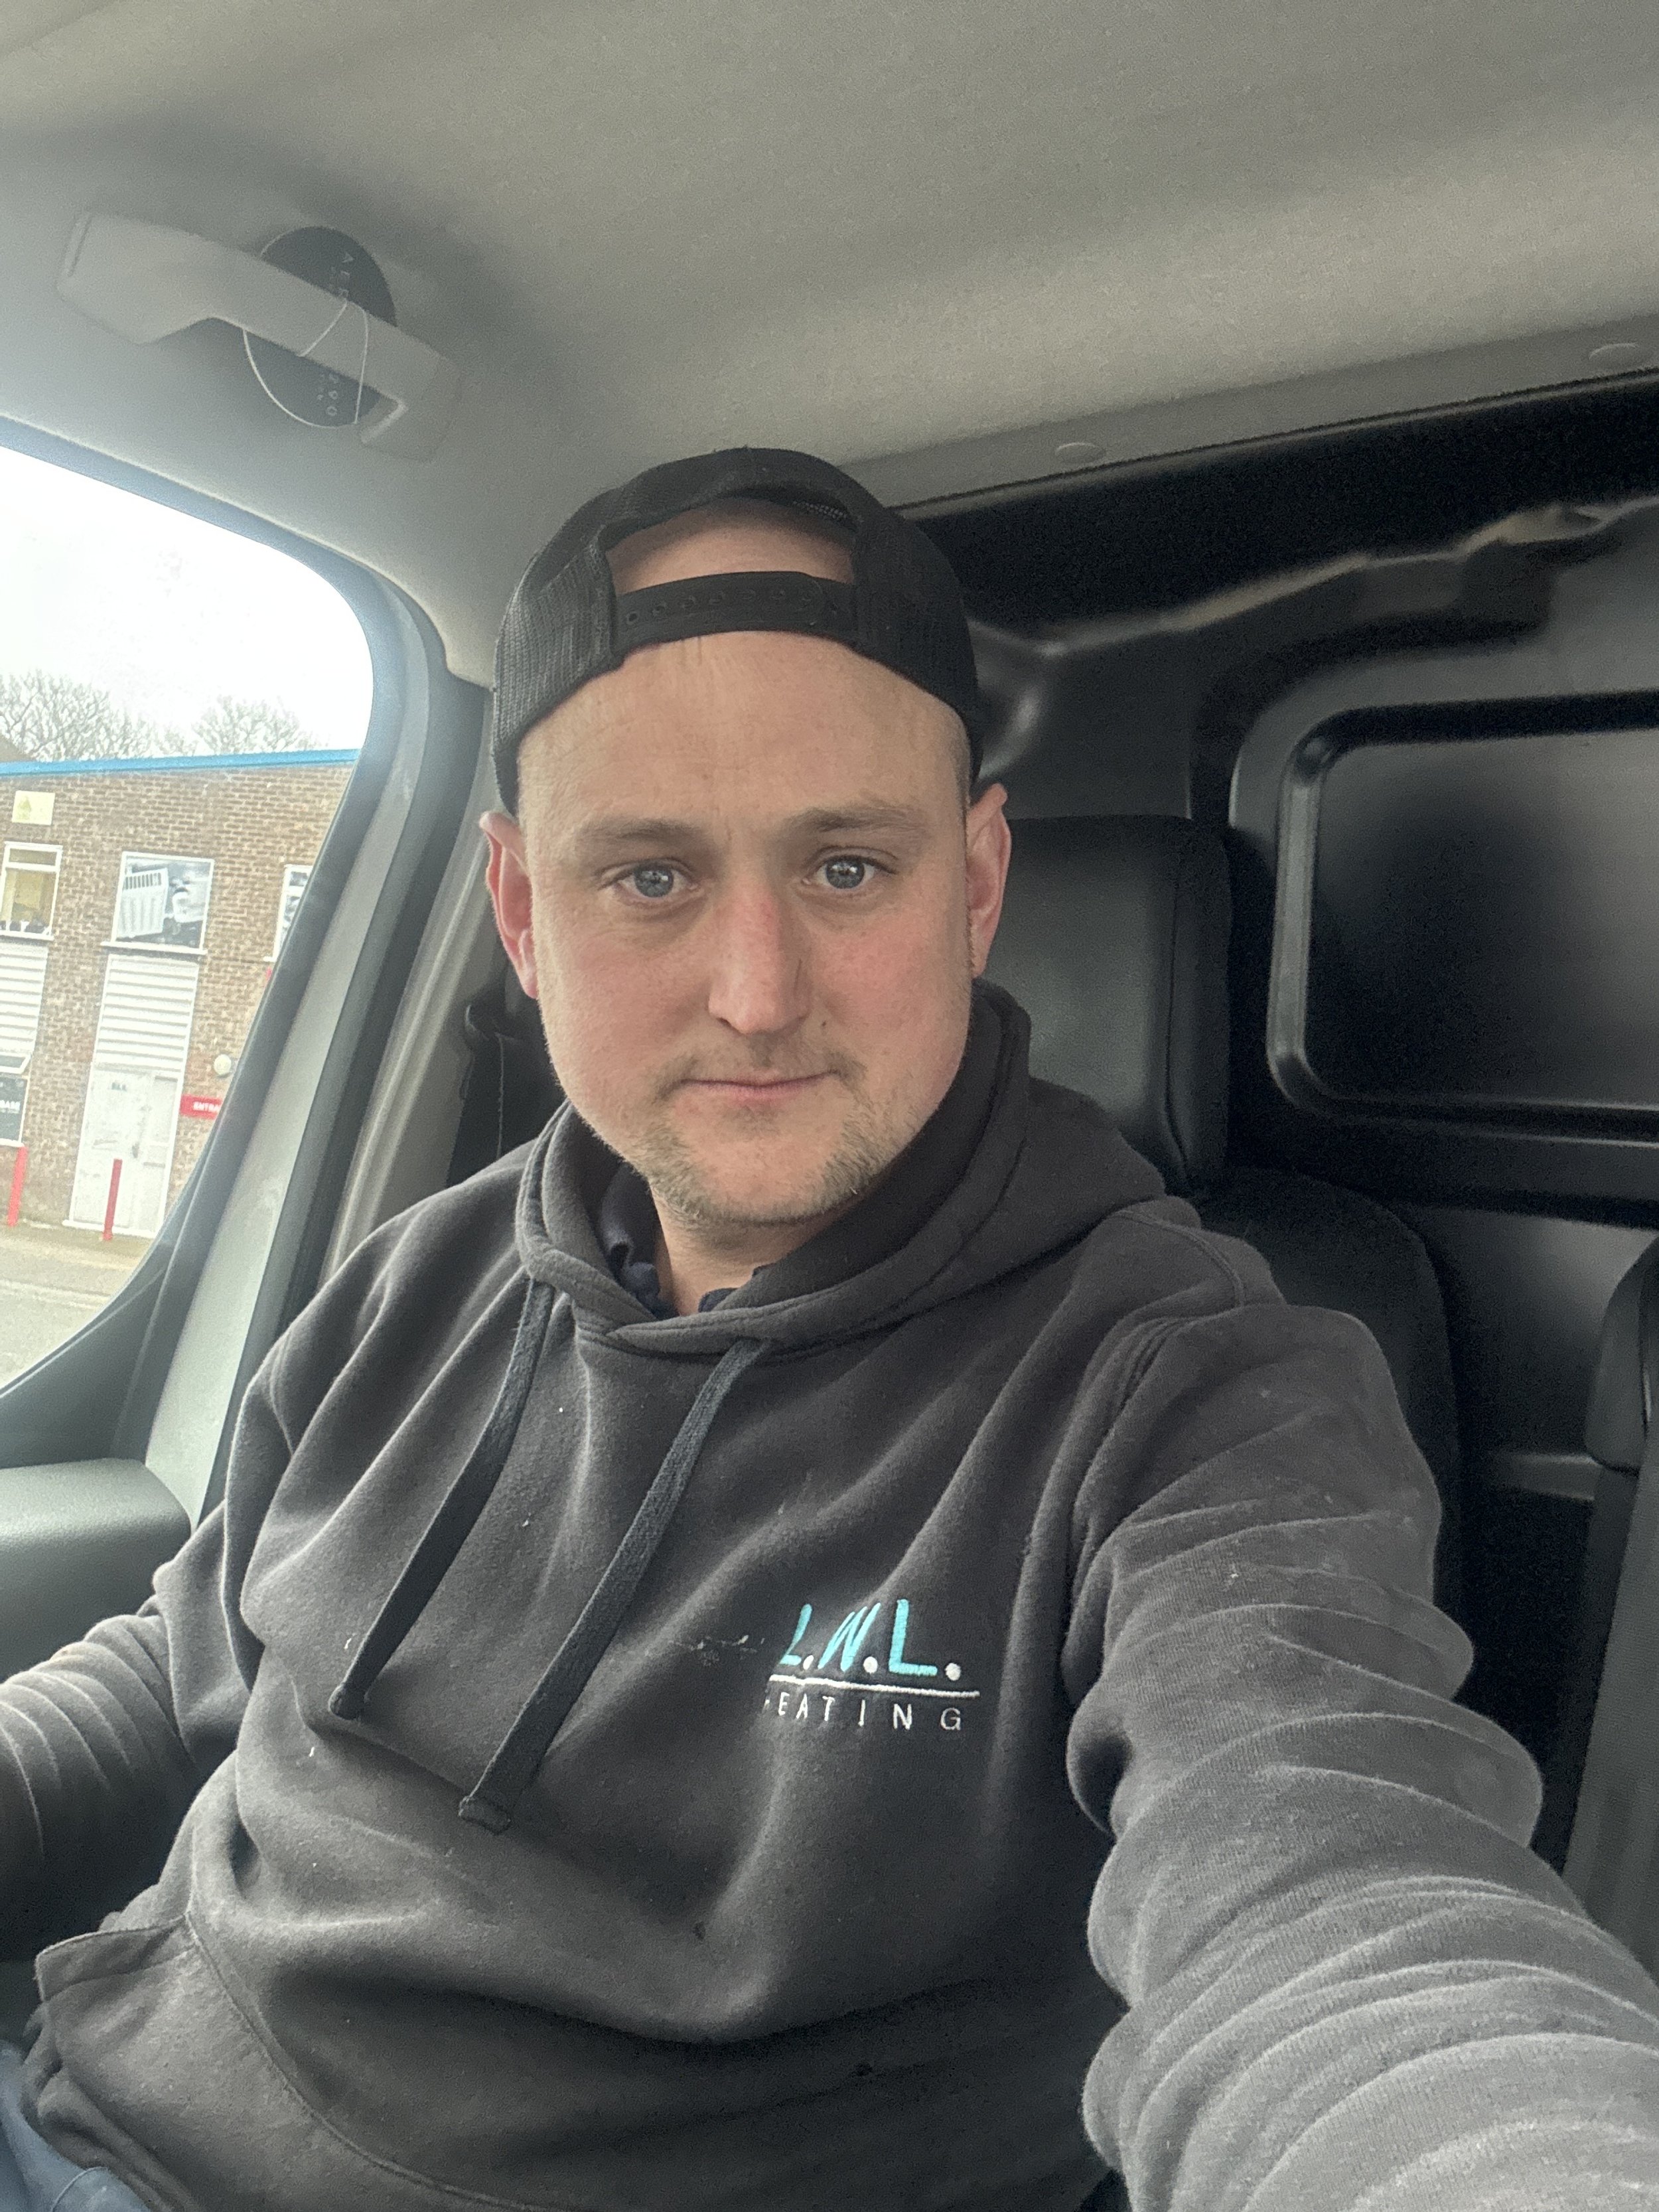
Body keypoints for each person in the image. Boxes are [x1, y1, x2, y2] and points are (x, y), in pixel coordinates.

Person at [3, 446, 1658, 2212]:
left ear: (976, 884)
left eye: (848, 867)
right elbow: (179, 1671)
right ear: (521, 911)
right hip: (81, 2122)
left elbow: (1339, 1906)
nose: (757, 992)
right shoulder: (420, 1274)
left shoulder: (1199, 1394)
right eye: (650, 877)